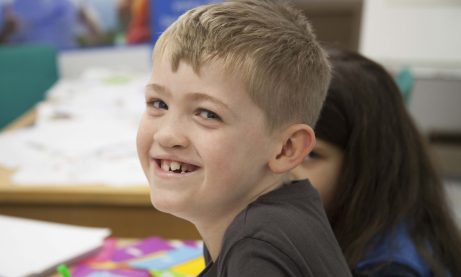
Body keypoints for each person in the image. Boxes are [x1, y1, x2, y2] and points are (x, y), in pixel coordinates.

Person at [136, 1, 351, 276]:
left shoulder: (257, 254)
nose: (167, 135)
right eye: (158, 104)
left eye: (208, 114)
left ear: (286, 148)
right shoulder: (266, 216)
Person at [293, 47, 461, 276]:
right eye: (282, 149)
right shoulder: (342, 227)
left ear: (366, 166)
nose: (283, 170)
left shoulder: (390, 268)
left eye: (311, 155)